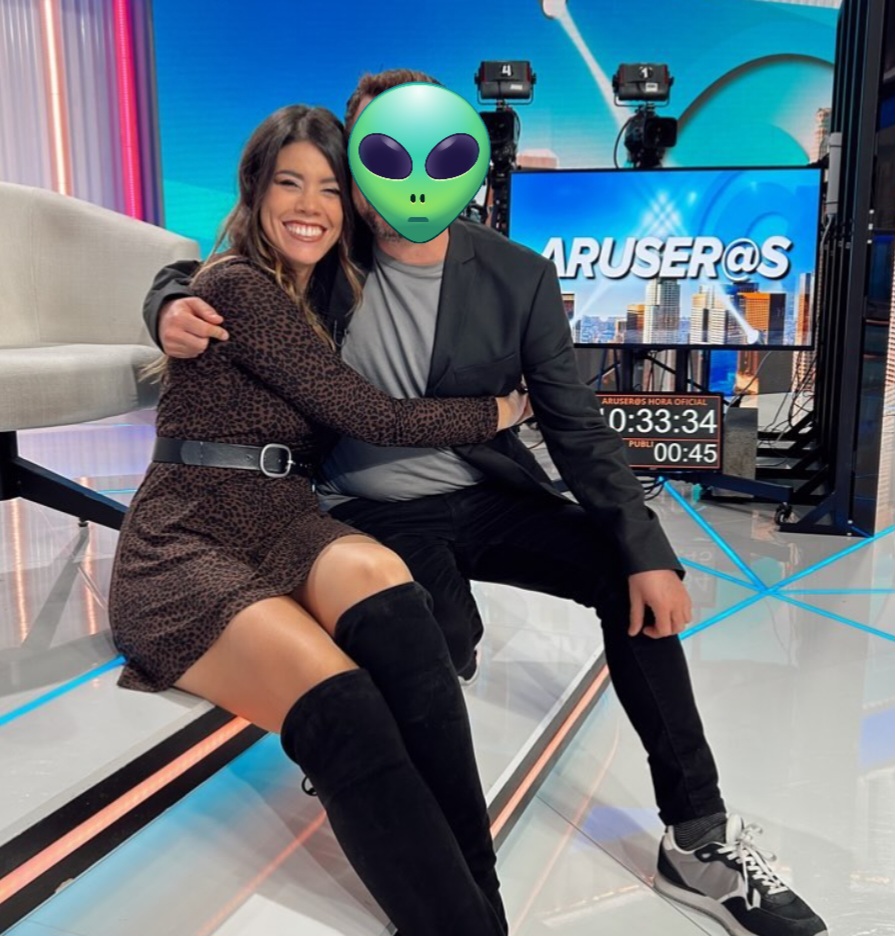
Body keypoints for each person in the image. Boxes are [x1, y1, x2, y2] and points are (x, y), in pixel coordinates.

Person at [143, 72, 828, 936]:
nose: (402, 176)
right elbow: (214, 266)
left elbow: (575, 425)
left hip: (481, 494)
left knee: (628, 579)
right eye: (380, 155)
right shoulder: (326, 251)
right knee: (431, 649)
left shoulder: (515, 275)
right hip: (364, 515)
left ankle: (698, 839)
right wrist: (166, 302)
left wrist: (645, 546)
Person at [110, 103, 532, 936]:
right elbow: (371, 415)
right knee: (346, 708)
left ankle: (477, 903)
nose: (310, 205)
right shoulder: (236, 285)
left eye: (331, 189)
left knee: (398, 607)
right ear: (255, 191)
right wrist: (500, 410)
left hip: (285, 518)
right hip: (188, 535)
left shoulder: (330, 294)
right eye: (289, 183)